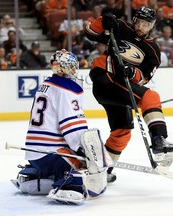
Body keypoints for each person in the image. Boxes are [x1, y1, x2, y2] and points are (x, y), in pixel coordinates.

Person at [84, 6, 173, 182]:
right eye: (139, 22)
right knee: (150, 97)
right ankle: (159, 141)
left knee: (122, 132)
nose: (141, 27)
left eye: (146, 24)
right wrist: (103, 21)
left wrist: (133, 73)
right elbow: (90, 33)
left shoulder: (153, 49)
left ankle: (102, 172)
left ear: (152, 26)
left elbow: (144, 77)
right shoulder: (120, 27)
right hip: (105, 77)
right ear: (134, 20)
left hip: (118, 87)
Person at [12, 49, 111, 204]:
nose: (73, 70)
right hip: (51, 154)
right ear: (61, 68)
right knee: (85, 167)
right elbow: (72, 127)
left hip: (34, 156)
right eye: (70, 66)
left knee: (72, 162)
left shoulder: (45, 85)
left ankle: (35, 176)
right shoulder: (68, 88)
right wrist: (86, 153)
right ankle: (68, 186)